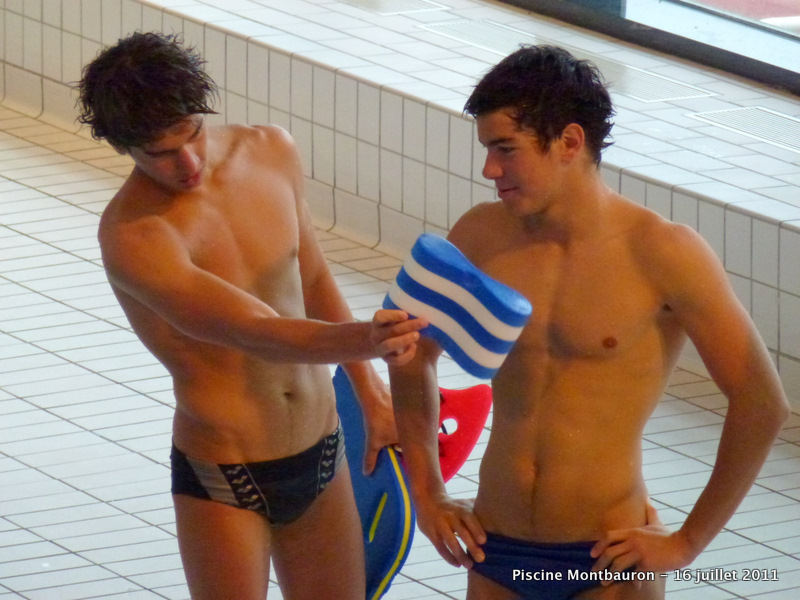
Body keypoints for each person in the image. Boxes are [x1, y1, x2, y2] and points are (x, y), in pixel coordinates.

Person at [388, 45, 789, 599]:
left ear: (570, 142)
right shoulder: (479, 235)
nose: (490, 169)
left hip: (605, 556)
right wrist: (428, 493)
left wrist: (688, 543)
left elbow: (761, 402)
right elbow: (412, 355)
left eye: (506, 149)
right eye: (487, 149)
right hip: (494, 544)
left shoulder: (663, 253)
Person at [76, 32, 426, 600]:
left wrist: (371, 392)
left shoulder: (272, 150)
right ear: (123, 147)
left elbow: (311, 276)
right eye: (160, 153)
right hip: (227, 475)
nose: (187, 162)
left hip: (323, 447)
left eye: (192, 132)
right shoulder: (134, 235)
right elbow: (255, 331)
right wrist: (367, 340)